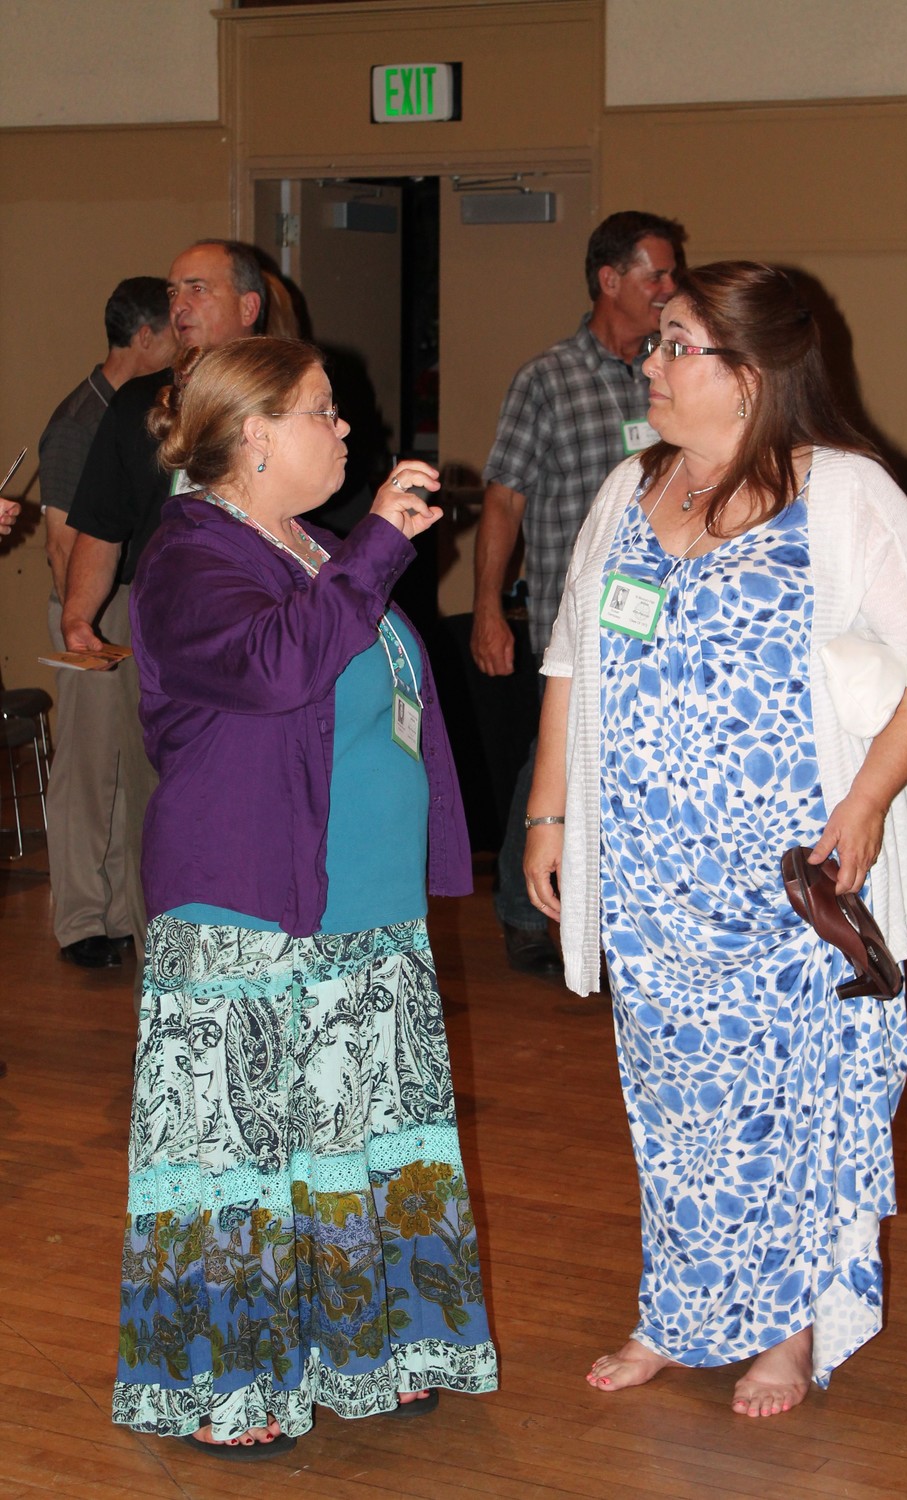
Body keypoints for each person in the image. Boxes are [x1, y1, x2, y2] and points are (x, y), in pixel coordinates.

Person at [524, 262, 907, 1417]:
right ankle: (677, 1312)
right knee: (673, 1106)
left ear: (752, 373)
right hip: (648, 876)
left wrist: (865, 803)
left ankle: (786, 1325)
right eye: (655, 343)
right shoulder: (631, 487)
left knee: (789, 1103)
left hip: (790, 877)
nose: (652, 363)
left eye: (678, 345)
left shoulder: (840, 492)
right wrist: (548, 813)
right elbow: (571, 657)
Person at [113, 337, 497, 1455]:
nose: (345, 429)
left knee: (363, 1132)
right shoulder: (188, 555)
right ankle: (230, 1384)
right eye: (323, 411)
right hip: (248, 902)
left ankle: (374, 1349)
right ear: (256, 436)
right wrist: (376, 549)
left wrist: (364, 550)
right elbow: (280, 667)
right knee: (239, 1151)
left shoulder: (313, 544)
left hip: (361, 903)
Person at [473, 210, 685, 976]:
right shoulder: (549, 378)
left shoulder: (672, 371)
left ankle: (620, 908)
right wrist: (489, 607)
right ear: (609, 279)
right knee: (556, 755)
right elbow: (505, 498)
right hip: (576, 625)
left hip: (664, 620)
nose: (669, 288)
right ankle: (524, 908)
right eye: (657, 274)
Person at [62, 240, 267, 999]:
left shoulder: (285, 392)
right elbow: (100, 523)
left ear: (249, 306)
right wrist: (79, 616)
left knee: (248, 803)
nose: (180, 305)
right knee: (162, 809)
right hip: (159, 634)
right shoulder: (137, 404)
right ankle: (171, 992)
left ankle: (254, 977)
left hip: (258, 633)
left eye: (199, 289)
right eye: (175, 291)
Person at [41, 276, 176, 967]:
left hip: (124, 602)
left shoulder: (144, 406)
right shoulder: (81, 419)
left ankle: (121, 913)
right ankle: (80, 920)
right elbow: (64, 544)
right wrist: (83, 624)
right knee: (88, 771)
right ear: (145, 336)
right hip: (88, 609)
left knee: (126, 767)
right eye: (174, 329)